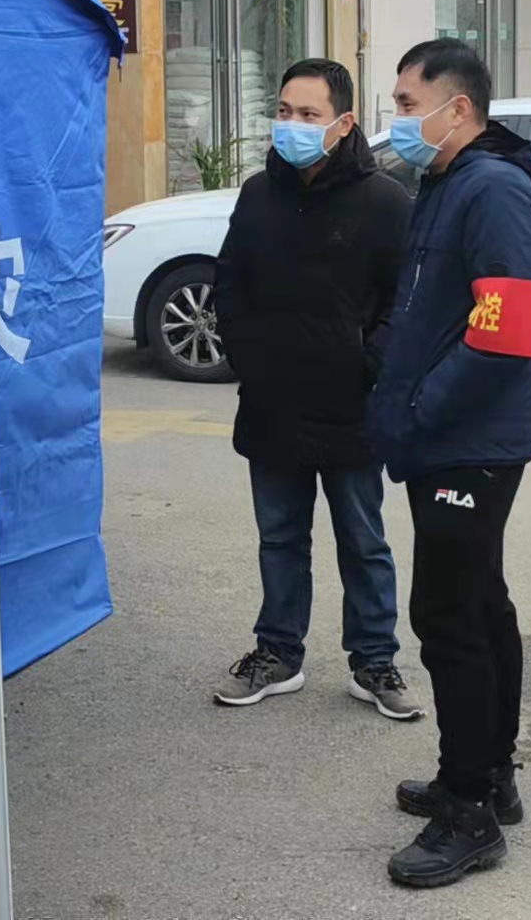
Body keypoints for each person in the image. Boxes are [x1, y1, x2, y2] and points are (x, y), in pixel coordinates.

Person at [368, 38, 531, 889]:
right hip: (445, 436)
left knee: (450, 617)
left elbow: (503, 333)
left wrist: (421, 404)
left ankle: (471, 811)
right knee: (477, 603)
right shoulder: (446, 182)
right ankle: (484, 774)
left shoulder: (494, 188)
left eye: (409, 103)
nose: (399, 118)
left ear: (460, 108)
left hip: (468, 443)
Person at [208, 59, 422, 721]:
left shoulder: (385, 201)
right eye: (283, 111)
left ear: (344, 123)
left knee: (363, 540)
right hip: (271, 402)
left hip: (350, 407)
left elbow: (404, 301)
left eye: (308, 115)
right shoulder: (257, 194)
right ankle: (277, 652)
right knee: (279, 537)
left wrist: (369, 363)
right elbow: (229, 282)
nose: (291, 125)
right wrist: (248, 355)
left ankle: (374, 660)